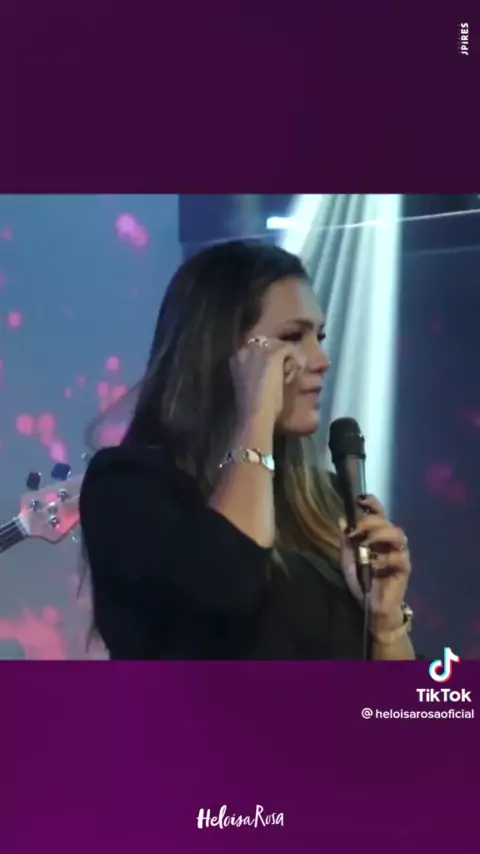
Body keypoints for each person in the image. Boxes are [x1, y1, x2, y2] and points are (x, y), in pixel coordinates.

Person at [79, 240, 415, 660]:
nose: (321, 359)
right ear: (222, 353)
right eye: (293, 336)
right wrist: (255, 413)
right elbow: (227, 583)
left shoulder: (329, 501)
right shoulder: (128, 487)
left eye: (320, 336)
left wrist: (385, 622)